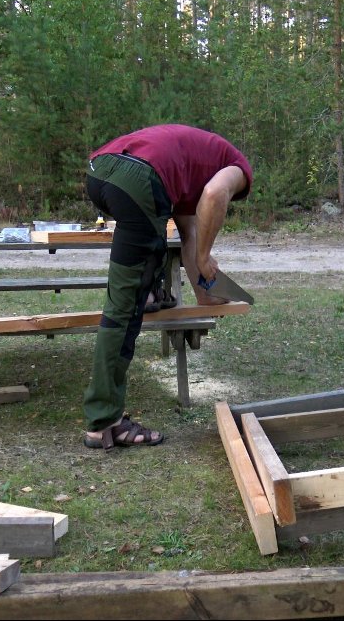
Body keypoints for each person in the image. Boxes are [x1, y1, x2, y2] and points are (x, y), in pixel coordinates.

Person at [81, 124, 253, 450]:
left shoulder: (188, 169)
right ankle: (104, 420)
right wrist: (204, 258)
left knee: (134, 287)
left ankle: (143, 291)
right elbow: (216, 195)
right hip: (139, 178)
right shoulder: (238, 167)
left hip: (100, 170)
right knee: (123, 309)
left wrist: (206, 292)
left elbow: (190, 233)